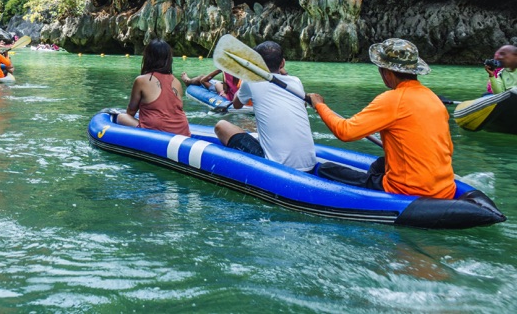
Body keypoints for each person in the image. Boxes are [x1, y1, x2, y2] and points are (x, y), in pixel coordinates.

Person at [305, 38, 456, 199]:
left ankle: (370, 195)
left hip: (409, 190)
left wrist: (319, 105)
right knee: (379, 165)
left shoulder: (392, 99)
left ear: (387, 72)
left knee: (326, 169)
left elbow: (345, 132)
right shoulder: (433, 98)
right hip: (445, 187)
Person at [213, 42, 316, 171]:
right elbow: (303, 104)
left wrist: (247, 74)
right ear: (282, 63)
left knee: (221, 126)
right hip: (309, 164)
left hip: (277, 166)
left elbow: (236, 104)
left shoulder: (251, 82)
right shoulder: (296, 82)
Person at [116, 40, 190, 136]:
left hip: (156, 130)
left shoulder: (141, 80)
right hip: (182, 130)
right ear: (169, 59)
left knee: (121, 117)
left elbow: (131, 111)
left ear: (148, 58)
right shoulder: (177, 82)